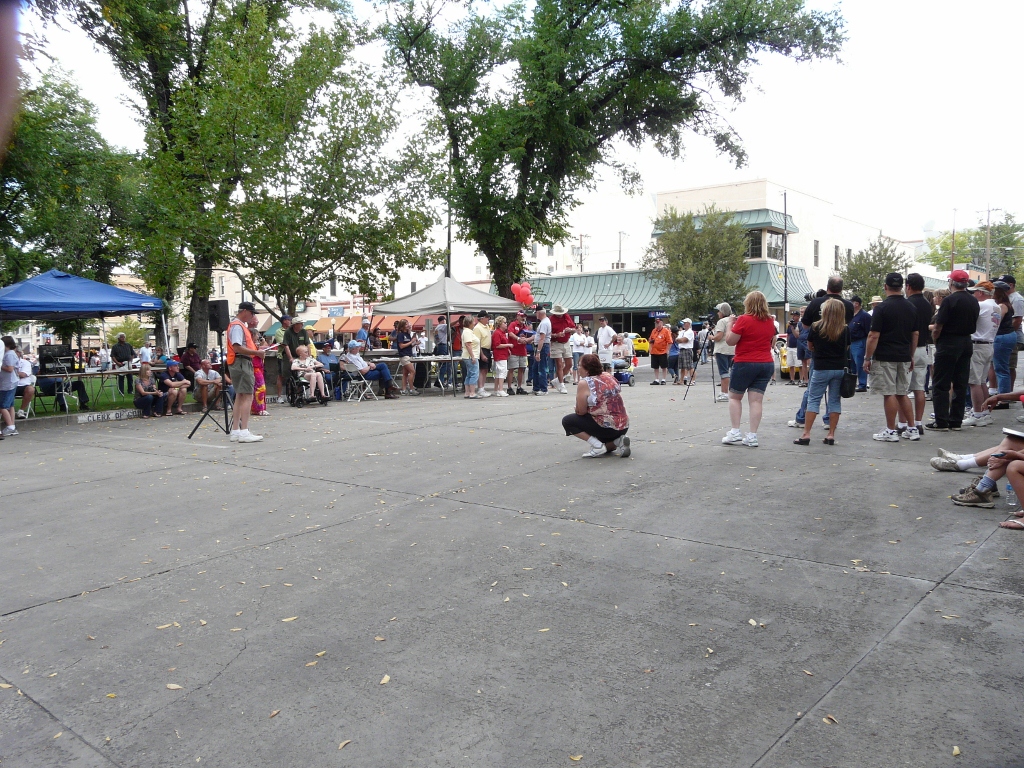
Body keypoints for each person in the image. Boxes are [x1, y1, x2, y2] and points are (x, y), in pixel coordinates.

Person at [862, 273, 919, 441]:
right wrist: (911, 355)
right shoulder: (911, 307)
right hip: (904, 354)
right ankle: (912, 428)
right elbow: (915, 333)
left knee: (889, 393)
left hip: (885, 355)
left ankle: (891, 430)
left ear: (885, 287)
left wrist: (867, 357)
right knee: (902, 392)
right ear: (902, 287)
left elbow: (873, 335)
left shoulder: (881, 308)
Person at [721, 291, 775, 448]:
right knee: (756, 400)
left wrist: (730, 324)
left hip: (745, 362)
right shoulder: (770, 321)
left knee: (735, 397)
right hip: (766, 363)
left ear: (748, 304)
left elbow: (730, 341)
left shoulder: (744, 320)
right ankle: (752, 436)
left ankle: (735, 431)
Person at [928, 269, 980, 432]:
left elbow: (938, 326)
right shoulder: (973, 300)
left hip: (949, 341)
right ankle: (956, 420)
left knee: (941, 383)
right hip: (966, 341)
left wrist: (936, 340)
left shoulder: (949, 300)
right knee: (960, 382)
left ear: (951, 282)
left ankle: (941, 421)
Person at [794, 299, 849, 446]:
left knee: (814, 399)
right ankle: (831, 434)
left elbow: (810, 346)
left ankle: (806, 434)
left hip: (821, 366)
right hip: (839, 368)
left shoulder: (816, 326)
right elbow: (847, 347)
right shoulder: (844, 329)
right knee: (834, 400)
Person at [562, 353, 631, 458]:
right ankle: (618, 441)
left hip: (606, 426)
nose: (578, 368)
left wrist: (577, 408)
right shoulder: (608, 375)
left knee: (568, 421)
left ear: (587, 369)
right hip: (623, 425)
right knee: (607, 446)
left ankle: (597, 446)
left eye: (579, 365)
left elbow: (581, 411)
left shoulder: (585, 383)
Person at [961, 281, 1001, 427]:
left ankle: (977, 414)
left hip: (977, 345)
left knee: (974, 382)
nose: (973, 295)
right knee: (982, 381)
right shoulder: (996, 306)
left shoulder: (982, 305)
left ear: (981, 292)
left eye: (975, 292)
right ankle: (984, 413)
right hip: (988, 344)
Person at [226, 302, 265, 441]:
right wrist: (257, 352)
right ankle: (244, 431)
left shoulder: (235, 324)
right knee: (247, 396)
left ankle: (236, 430)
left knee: (240, 396)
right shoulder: (238, 326)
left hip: (237, 362)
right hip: (242, 362)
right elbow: (237, 347)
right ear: (244, 311)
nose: (252, 316)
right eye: (252, 312)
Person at [903, 275, 933, 434]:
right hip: (923, 347)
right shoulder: (927, 304)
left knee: (902, 390)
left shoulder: (907, 304)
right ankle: (919, 422)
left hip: (909, 349)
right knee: (919, 388)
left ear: (908, 286)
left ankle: (903, 423)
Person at [998, 274, 1024, 390]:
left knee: (1009, 365)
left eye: (1003, 284)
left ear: (1011, 285)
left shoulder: (1017, 299)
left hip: (1012, 336)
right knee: (1003, 365)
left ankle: (1009, 392)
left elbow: (1017, 320)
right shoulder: (1006, 298)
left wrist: (1008, 333)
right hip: (1006, 335)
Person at [992, 280, 1017, 397]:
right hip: (1008, 335)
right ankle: (1004, 395)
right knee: (1002, 367)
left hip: (1002, 337)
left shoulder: (1002, 306)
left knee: (1001, 368)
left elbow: (996, 323)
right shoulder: (1007, 304)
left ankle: (1003, 397)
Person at [711, 302, 735, 402]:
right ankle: (732, 392)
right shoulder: (734, 320)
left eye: (719, 311)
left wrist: (711, 337)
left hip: (722, 349)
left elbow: (719, 336)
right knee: (732, 371)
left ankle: (724, 393)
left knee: (724, 372)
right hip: (733, 349)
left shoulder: (722, 321)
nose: (718, 313)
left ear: (722, 312)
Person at [548, 304, 575, 394]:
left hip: (566, 342)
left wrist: (570, 330)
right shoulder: (551, 319)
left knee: (569, 364)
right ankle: (562, 384)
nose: (560, 315)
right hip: (556, 343)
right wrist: (556, 335)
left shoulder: (566, 316)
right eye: (558, 314)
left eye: (561, 313)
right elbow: (548, 334)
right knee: (559, 364)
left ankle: (558, 380)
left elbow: (574, 328)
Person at [848, 296, 872, 391]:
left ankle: (862, 384)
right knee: (852, 364)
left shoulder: (865, 316)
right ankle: (853, 383)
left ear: (856, 304)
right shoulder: (851, 315)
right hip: (851, 342)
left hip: (860, 341)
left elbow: (868, 331)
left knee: (860, 363)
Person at [507, 311, 531, 395]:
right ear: (517, 316)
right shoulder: (513, 324)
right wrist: (518, 338)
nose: (523, 318)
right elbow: (510, 333)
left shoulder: (525, 327)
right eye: (522, 316)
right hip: (514, 350)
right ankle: (509, 387)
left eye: (524, 316)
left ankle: (519, 387)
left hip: (522, 350)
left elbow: (528, 337)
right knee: (511, 369)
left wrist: (527, 340)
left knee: (522, 369)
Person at [461, 314, 484, 399]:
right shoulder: (467, 332)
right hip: (470, 356)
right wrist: (473, 356)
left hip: (468, 356)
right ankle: (472, 392)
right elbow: (468, 345)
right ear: (470, 323)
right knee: (474, 374)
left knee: (469, 374)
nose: (474, 323)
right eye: (473, 321)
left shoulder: (468, 331)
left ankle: (467, 392)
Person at [250, 321, 270, 415]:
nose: (258, 337)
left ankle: (256, 408)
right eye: (257, 335)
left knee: (257, 388)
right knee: (260, 388)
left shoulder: (255, 345)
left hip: (258, 367)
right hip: (255, 368)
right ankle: (259, 408)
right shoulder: (251, 345)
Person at [491, 316, 513, 396]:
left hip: (503, 354)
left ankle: (496, 389)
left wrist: (507, 349)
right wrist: (508, 345)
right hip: (500, 355)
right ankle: (500, 389)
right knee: (502, 371)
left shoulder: (502, 333)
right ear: (500, 324)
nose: (506, 324)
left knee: (499, 372)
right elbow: (497, 345)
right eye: (504, 322)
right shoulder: (497, 333)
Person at [0, 336, 18, 436]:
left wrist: (1, 366)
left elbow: (10, 369)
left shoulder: (9, 354)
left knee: (2, 406)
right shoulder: (9, 353)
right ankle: (12, 425)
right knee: (10, 405)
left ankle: (10, 426)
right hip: (9, 382)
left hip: (8, 383)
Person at [647, 317, 672, 385]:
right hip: (654, 351)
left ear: (661, 323)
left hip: (662, 351)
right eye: (656, 323)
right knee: (655, 367)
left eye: (658, 323)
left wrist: (667, 350)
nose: (657, 324)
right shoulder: (654, 330)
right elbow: (650, 340)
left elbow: (670, 342)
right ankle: (656, 379)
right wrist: (650, 349)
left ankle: (663, 379)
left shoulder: (666, 331)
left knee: (664, 366)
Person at [532, 306, 551, 395]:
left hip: (542, 347)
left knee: (541, 368)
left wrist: (538, 351)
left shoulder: (544, 323)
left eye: (536, 313)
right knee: (535, 368)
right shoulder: (545, 321)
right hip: (542, 346)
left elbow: (542, 338)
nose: (536, 315)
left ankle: (543, 389)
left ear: (539, 313)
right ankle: (536, 387)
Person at [274, 315, 292, 404]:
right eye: (289, 320)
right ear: (284, 321)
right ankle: (279, 396)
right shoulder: (279, 331)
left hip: (293, 355)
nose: (290, 322)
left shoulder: (292, 331)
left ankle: (292, 394)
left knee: (293, 376)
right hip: (282, 356)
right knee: (281, 376)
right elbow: (283, 343)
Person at [474, 311, 493, 391]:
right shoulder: (477, 328)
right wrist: (482, 354)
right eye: (487, 317)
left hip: (488, 350)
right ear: (481, 319)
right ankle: (480, 388)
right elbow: (477, 342)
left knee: (486, 369)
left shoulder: (487, 326)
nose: (488, 319)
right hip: (482, 349)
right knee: (482, 369)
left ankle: (482, 387)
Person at [14, 348, 35, 419]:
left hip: (22, 386)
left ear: (19, 353)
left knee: (30, 389)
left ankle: (21, 410)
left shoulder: (25, 363)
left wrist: (10, 371)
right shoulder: (5, 362)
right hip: (9, 385)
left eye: (15, 352)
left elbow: (23, 375)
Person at [434, 315, 451, 389]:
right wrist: (457, 321)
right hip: (443, 345)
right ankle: (440, 380)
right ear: (443, 320)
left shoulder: (437, 328)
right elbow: (450, 325)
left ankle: (439, 380)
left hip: (439, 346)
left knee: (441, 364)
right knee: (444, 364)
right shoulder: (443, 326)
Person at [785, 310, 802, 385]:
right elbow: (788, 335)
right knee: (790, 364)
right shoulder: (790, 325)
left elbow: (798, 335)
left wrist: (793, 327)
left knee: (799, 364)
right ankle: (792, 379)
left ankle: (801, 379)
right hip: (790, 346)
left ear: (798, 316)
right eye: (792, 316)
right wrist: (787, 344)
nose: (793, 317)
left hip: (797, 346)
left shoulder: (800, 324)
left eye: (794, 316)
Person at [677, 318, 695, 385]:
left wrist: (680, 340)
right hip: (681, 349)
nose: (684, 324)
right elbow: (677, 339)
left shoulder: (690, 332)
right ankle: (681, 380)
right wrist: (679, 340)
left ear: (689, 324)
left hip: (687, 349)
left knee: (689, 366)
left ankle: (692, 380)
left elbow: (684, 340)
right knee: (682, 367)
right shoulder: (682, 332)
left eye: (685, 323)